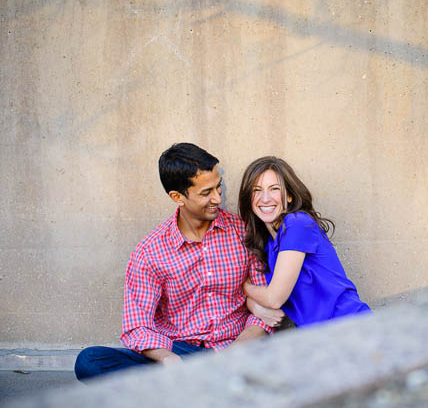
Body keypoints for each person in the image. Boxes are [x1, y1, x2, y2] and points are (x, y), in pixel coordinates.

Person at [74, 143, 284, 381]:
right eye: (206, 193)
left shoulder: (243, 232)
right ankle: (196, 385)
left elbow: (264, 309)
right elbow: (137, 326)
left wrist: (233, 354)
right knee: (89, 361)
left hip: (237, 348)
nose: (218, 198)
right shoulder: (150, 251)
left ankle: (185, 389)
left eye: (218, 187)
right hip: (180, 351)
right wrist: (167, 358)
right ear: (177, 197)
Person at [238, 156, 370, 327]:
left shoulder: (297, 223)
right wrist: (255, 307)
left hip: (350, 326)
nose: (265, 198)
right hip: (320, 338)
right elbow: (268, 297)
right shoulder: (269, 244)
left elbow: (274, 298)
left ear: (290, 195)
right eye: (257, 190)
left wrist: (245, 288)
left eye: (274, 189)